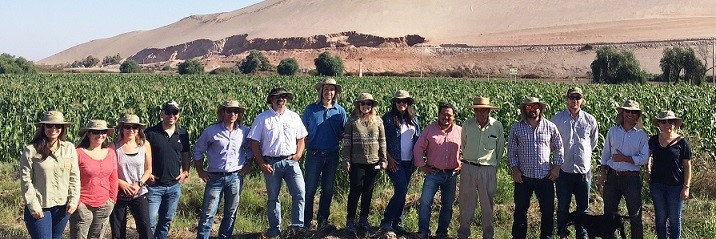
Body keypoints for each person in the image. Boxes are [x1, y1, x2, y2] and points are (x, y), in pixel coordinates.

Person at [248, 87, 308, 238]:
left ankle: (297, 227)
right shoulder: (262, 118)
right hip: (271, 163)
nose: (280, 99)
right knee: (274, 197)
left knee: (300, 193)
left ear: (286, 99)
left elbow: (301, 138)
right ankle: (274, 229)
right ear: (271, 100)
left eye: (283, 96)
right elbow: (254, 143)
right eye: (277, 97)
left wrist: (299, 154)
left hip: (291, 162)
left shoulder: (294, 117)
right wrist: (261, 163)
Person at [194, 100, 253, 239]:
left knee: (231, 213)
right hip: (215, 177)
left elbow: (251, 149)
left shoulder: (244, 131)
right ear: (222, 112)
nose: (232, 114)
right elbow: (197, 150)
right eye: (229, 111)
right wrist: (200, 171)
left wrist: (248, 165)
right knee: (208, 214)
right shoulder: (211, 131)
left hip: (235, 177)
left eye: (236, 111)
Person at [508, 97, 564, 239]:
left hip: (545, 177)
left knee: (547, 212)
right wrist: (514, 169)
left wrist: (556, 167)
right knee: (520, 211)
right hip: (523, 177)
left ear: (540, 108)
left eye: (535, 106)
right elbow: (511, 151)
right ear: (524, 109)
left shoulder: (550, 127)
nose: (532, 109)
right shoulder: (517, 127)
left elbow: (559, 147)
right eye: (529, 107)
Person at [20, 110, 80, 239]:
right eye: (49, 125)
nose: (53, 129)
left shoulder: (69, 148)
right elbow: (26, 181)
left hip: (62, 207)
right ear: (43, 127)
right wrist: (33, 205)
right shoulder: (31, 150)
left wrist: (74, 200)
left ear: (62, 129)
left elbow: (74, 177)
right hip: (40, 206)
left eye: (58, 126)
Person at [551, 88, 598, 239]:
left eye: (578, 97)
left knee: (583, 208)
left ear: (582, 100)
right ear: (567, 99)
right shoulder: (557, 120)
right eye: (572, 97)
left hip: (583, 172)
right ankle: (563, 234)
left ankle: (582, 236)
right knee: (563, 207)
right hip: (563, 171)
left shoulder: (590, 120)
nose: (574, 100)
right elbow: (551, 143)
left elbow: (593, 143)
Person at [302, 78, 347, 231]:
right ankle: (306, 223)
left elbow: (343, 132)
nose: (329, 92)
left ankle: (322, 221)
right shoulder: (311, 109)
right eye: (326, 89)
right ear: (321, 91)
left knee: (327, 190)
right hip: (314, 154)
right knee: (309, 190)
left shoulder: (340, 111)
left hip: (332, 155)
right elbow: (302, 132)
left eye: (332, 89)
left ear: (335, 93)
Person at [599, 99, 649, 239]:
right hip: (613, 177)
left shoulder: (641, 135)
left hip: (631, 178)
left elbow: (644, 158)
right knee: (609, 215)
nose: (630, 115)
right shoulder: (613, 131)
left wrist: (625, 158)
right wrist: (603, 175)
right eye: (628, 111)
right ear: (622, 113)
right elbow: (605, 154)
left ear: (637, 116)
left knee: (635, 216)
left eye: (634, 112)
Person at [413, 102, 462, 239]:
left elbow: (468, 149)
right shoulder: (430, 129)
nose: (446, 117)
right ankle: (423, 231)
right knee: (425, 203)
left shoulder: (460, 131)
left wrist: (462, 164)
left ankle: (442, 232)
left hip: (451, 174)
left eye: (449, 115)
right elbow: (418, 148)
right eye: (443, 114)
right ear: (438, 115)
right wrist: (422, 166)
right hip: (433, 172)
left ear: (454, 116)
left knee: (447, 205)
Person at [458, 97, 504, 239]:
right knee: (466, 204)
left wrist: (491, 166)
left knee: (487, 206)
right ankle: (463, 234)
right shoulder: (467, 124)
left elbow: (499, 149)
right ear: (474, 111)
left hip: (487, 169)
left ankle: (488, 236)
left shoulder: (497, 125)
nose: (481, 113)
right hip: (469, 167)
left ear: (489, 110)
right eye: (478, 110)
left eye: (484, 110)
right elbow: (463, 144)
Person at [342, 93, 387, 235]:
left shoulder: (378, 121)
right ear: (358, 105)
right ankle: (350, 220)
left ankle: (363, 219)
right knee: (355, 190)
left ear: (372, 106)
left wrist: (384, 159)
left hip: (373, 162)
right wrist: (346, 159)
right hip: (357, 162)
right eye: (363, 104)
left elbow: (382, 140)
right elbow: (347, 141)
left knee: (368, 191)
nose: (365, 106)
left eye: (369, 104)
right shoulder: (352, 121)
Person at [144, 100, 191, 239]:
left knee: (166, 221)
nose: (171, 115)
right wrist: (147, 173)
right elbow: (141, 155)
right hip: (154, 186)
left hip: (174, 186)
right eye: (168, 112)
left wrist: (186, 171)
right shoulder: (150, 133)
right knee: (150, 222)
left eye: (174, 112)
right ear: (162, 114)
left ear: (178, 115)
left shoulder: (182, 134)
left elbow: (186, 153)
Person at [379, 90, 421, 235]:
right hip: (394, 161)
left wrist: (418, 160)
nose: (401, 104)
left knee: (402, 192)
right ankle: (386, 221)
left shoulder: (414, 119)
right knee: (401, 189)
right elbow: (381, 141)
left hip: (409, 162)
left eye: (404, 101)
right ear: (394, 103)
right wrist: (388, 158)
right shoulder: (388, 119)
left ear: (408, 103)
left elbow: (418, 140)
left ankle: (398, 222)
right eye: (398, 101)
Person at [71, 119, 119, 239]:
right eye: (95, 132)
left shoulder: (110, 153)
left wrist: (112, 199)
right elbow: (70, 178)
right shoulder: (78, 153)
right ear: (88, 134)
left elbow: (114, 177)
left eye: (103, 132)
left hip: (104, 204)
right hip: (83, 204)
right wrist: (77, 203)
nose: (100, 135)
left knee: (97, 236)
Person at [647, 110, 691, 239]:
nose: (667, 124)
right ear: (659, 124)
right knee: (660, 218)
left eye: (670, 121)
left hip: (676, 185)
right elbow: (647, 156)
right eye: (663, 122)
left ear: (675, 124)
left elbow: (687, 166)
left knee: (674, 218)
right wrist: (648, 169)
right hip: (657, 184)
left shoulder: (682, 142)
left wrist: (686, 187)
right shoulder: (653, 140)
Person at [109, 114, 153, 239]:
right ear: (122, 128)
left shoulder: (145, 145)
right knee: (118, 232)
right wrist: (120, 183)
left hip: (138, 192)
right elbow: (109, 171)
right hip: (119, 194)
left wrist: (139, 184)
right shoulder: (114, 147)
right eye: (128, 127)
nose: (131, 130)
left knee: (145, 229)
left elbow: (149, 169)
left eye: (135, 127)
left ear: (139, 129)